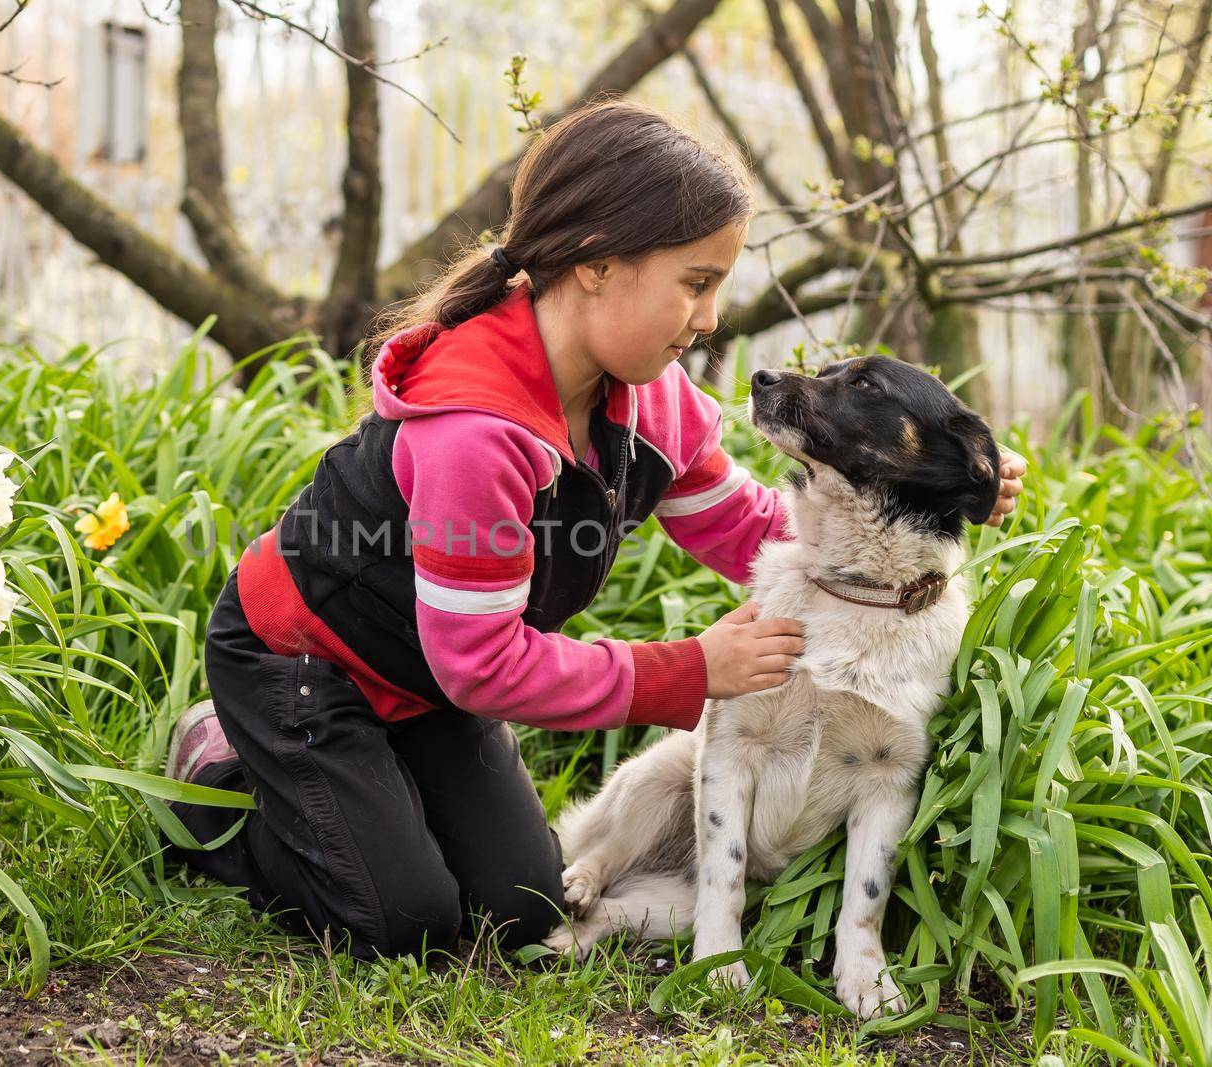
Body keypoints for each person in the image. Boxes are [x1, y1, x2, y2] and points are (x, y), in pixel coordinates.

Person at [163, 100, 1026, 960]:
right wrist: (683, 672)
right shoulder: (478, 433)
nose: (712, 317)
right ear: (596, 265)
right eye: (696, 282)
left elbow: (746, 528)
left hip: (430, 681)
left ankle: (375, 793)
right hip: (305, 661)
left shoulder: (650, 400)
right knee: (403, 919)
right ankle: (213, 775)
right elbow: (485, 661)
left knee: (521, 908)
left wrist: (927, 491)